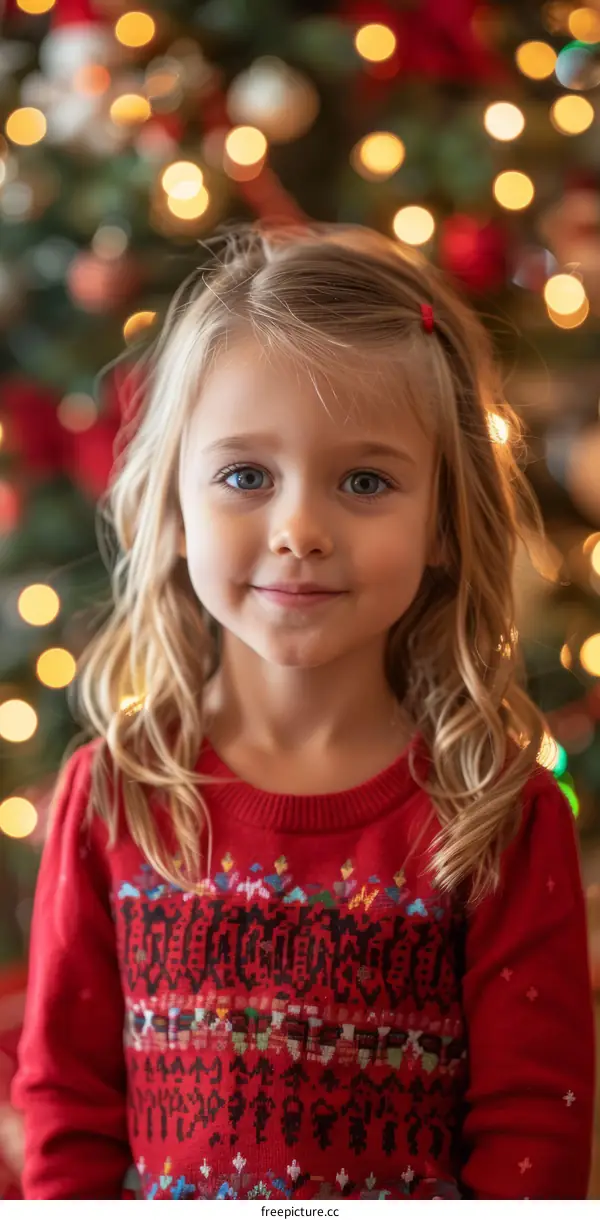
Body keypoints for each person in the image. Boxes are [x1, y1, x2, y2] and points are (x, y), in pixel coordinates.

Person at [12, 223, 595, 1200]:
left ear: (444, 520)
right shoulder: (113, 795)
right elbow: (68, 1112)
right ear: (175, 505)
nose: (299, 530)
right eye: (246, 476)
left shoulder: (500, 814)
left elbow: (534, 1133)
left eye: (365, 481)